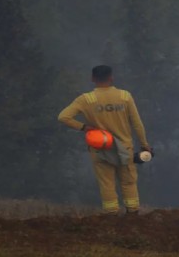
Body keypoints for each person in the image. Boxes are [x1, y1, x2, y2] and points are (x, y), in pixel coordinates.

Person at [58, 65, 151, 215]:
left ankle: (111, 215)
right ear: (111, 78)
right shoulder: (125, 96)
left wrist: (83, 127)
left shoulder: (86, 99)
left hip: (100, 149)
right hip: (124, 148)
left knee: (107, 184)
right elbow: (137, 124)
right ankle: (133, 214)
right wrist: (145, 145)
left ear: (93, 79)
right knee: (128, 182)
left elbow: (63, 116)